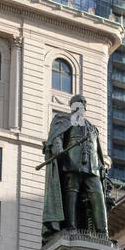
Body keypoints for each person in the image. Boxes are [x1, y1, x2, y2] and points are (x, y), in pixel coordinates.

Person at [41, 94, 110, 238]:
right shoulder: (64, 119)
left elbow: (98, 151)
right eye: (78, 103)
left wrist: (102, 167)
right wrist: (58, 148)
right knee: (71, 193)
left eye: (84, 103)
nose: (81, 106)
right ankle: (70, 227)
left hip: (93, 167)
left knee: (97, 196)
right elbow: (56, 137)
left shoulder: (92, 127)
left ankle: (102, 232)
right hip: (72, 162)